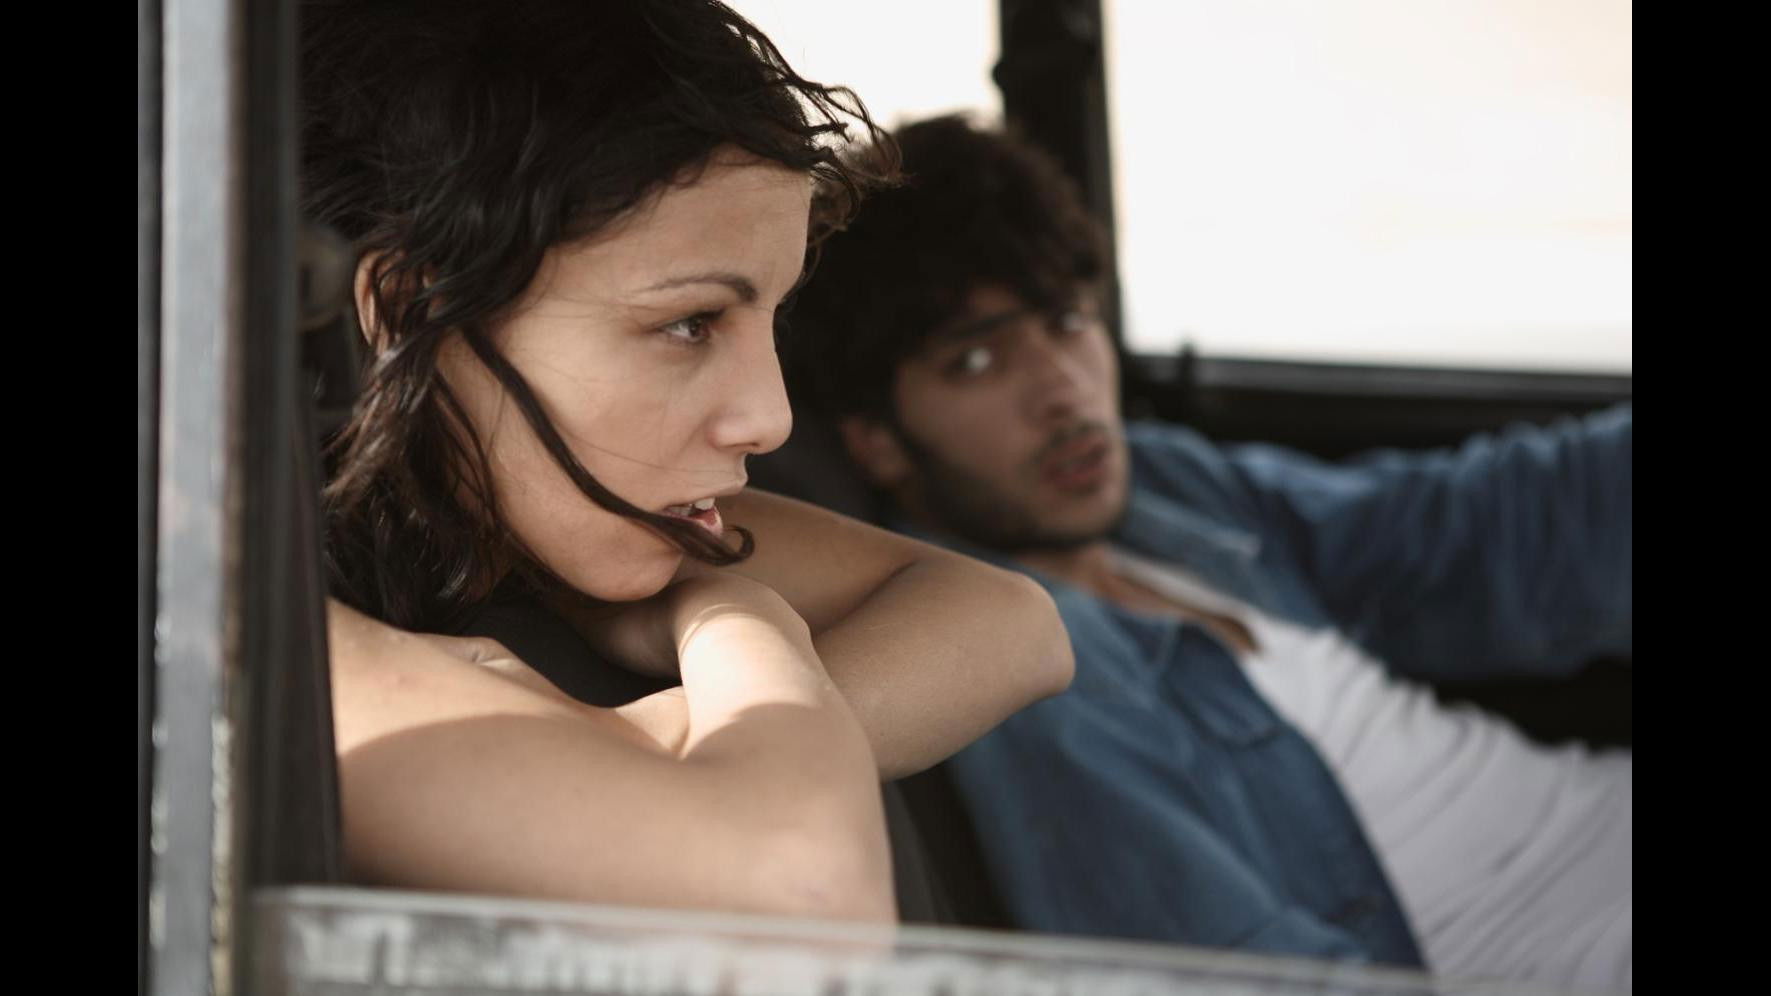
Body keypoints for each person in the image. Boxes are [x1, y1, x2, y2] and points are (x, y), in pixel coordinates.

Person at [779, 114, 1631, 988]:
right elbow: (1244, 972)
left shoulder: (1161, 488)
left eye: (1066, 321)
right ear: (879, 441)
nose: (1062, 390)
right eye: (975, 361)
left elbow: (1464, 532)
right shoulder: (1026, 675)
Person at [300, 3, 1072, 923]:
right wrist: (740, 622)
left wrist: (668, 714)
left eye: (770, 319)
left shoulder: (514, 516)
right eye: (689, 323)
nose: (770, 420)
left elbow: (1015, 622)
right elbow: (806, 875)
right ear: (405, 308)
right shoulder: (246, 622)